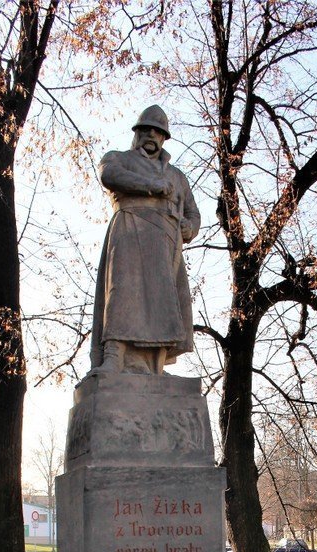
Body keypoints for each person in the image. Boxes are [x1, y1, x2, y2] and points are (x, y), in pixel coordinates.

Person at [90, 105, 201, 374]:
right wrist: (150, 186)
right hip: (130, 231)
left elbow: (193, 213)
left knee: (162, 302)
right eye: (146, 129)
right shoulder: (119, 158)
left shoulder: (177, 176)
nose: (152, 135)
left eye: (158, 132)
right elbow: (109, 175)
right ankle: (114, 357)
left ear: (164, 138)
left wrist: (190, 227)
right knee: (123, 292)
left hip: (166, 243)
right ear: (137, 133)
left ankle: (156, 364)